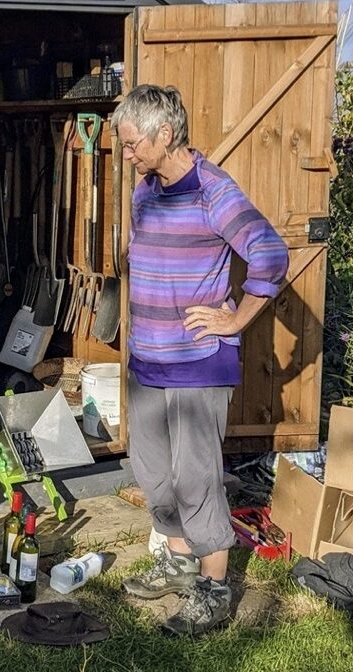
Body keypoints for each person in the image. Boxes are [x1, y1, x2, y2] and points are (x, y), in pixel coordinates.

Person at [111, 85, 289, 636]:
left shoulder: (215, 192)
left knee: (196, 480)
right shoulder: (148, 189)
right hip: (149, 360)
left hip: (196, 363)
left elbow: (270, 253)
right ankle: (180, 560)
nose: (127, 154)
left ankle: (213, 590)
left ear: (165, 135)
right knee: (153, 475)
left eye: (133, 143)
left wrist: (236, 320)